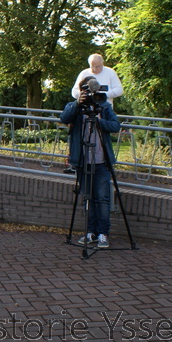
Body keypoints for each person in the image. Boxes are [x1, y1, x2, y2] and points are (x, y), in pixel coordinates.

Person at [60, 76, 121, 249]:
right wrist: (78, 103)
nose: (91, 93)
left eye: (93, 90)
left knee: (102, 198)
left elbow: (116, 126)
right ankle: (90, 232)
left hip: (101, 161)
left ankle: (103, 233)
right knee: (88, 198)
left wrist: (99, 121)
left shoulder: (104, 105)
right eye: (87, 90)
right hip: (83, 161)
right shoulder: (75, 107)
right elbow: (64, 118)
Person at [65, 53, 124, 174]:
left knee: (101, 145)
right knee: (81, 141)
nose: (95, 69)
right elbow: (74, 91)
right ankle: (78, 164)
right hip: (84, 113)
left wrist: (101, 96)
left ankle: (103, 165)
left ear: (102, 64)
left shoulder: (110, 72)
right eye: (93, 67)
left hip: (102, 111)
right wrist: (82, 98)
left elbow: (119, 90)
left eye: (98, 66)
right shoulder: (84, 73)